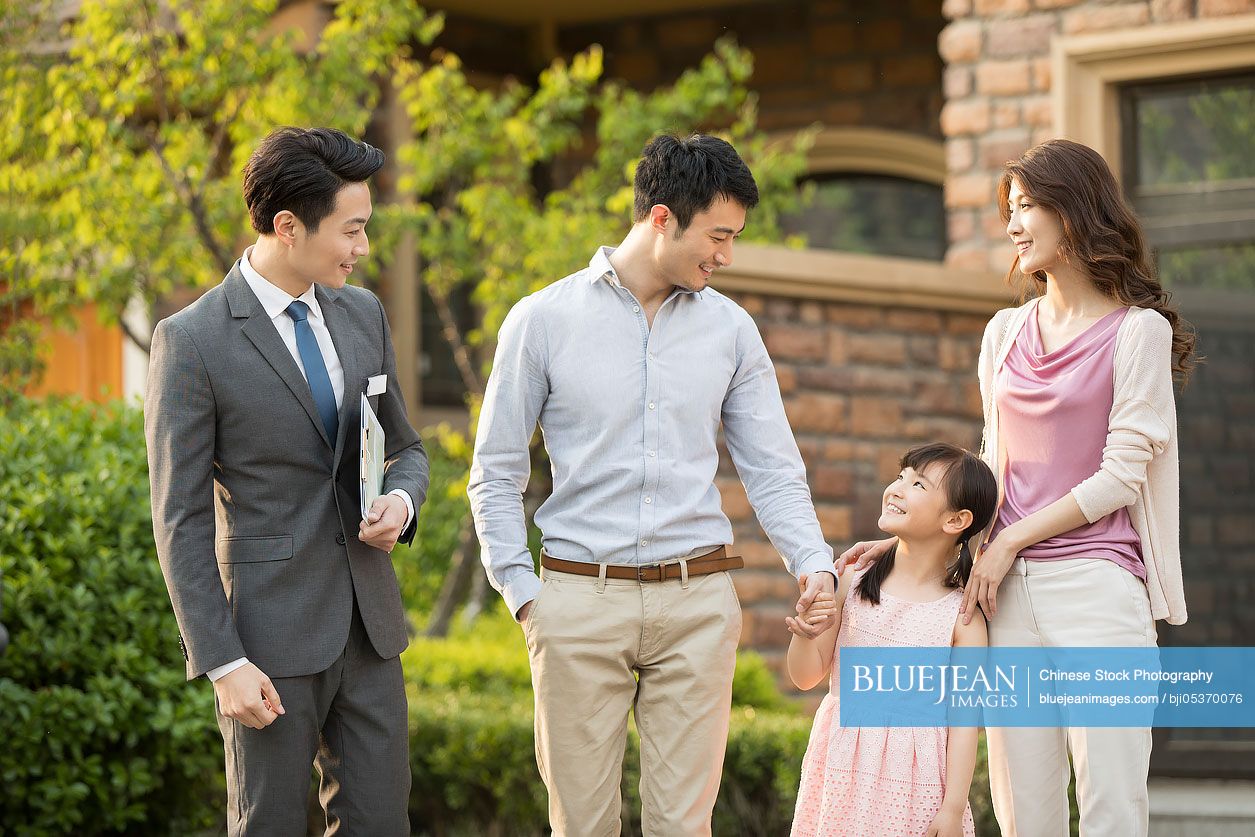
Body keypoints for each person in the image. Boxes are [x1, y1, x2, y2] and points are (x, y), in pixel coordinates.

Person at [467, 133, 838, 836]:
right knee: (582, 825)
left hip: (697, 603)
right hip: (577, 600)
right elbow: (496, 471)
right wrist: (522, 593)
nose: (725, 255)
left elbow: (772, 466)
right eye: (718, 235)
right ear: (662, 217)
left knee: (682, 827)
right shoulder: (541, 320)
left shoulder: (731, 331)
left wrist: (812, 561)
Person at [840, 139, 1195, 837]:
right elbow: (992, 466)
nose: (1012, 224)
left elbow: (1122, 475)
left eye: (1027, 206)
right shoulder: (1004, 332)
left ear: (1074, 212)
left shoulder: (1137, 333)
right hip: (1004, 596)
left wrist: (1012, 542)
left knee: (1111, 806)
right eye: (1011, 207)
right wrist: (911, 545)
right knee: (1022, 812)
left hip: (1097, 587)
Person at [146, 127, 428, 835]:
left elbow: (407, 448)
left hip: (370, 629)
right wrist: (221, 661)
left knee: (380, 823)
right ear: (287, 225)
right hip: (264, 639)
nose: (363, 248)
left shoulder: (362, 313)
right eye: (352, 230)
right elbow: (180, 519)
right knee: (266, 823)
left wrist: (401, 499)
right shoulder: (192, 339)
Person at [788, 443, 995, 837]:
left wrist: (952, 810)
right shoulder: (852, 582)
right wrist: (805, 636)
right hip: (841, 773)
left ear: (956, 520)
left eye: (918, 484)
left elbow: (964, 724)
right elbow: (804, 676)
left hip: (918, 786)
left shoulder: (962, 619)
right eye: (900, 476)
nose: (896, 488)